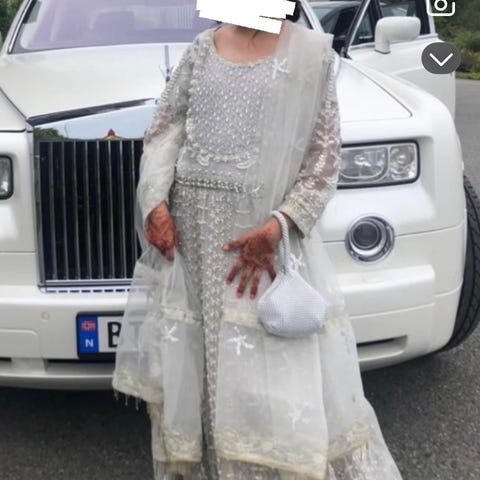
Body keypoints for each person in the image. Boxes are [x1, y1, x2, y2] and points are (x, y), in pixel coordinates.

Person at [112, 2, 404, 479]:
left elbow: (323, 161)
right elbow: (164, 132)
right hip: (192, 246)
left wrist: (279, 226)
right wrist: (155, 204)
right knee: (201, 369)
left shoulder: (312, 55)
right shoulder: (202, 49)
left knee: (268, 376)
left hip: (263, 249)